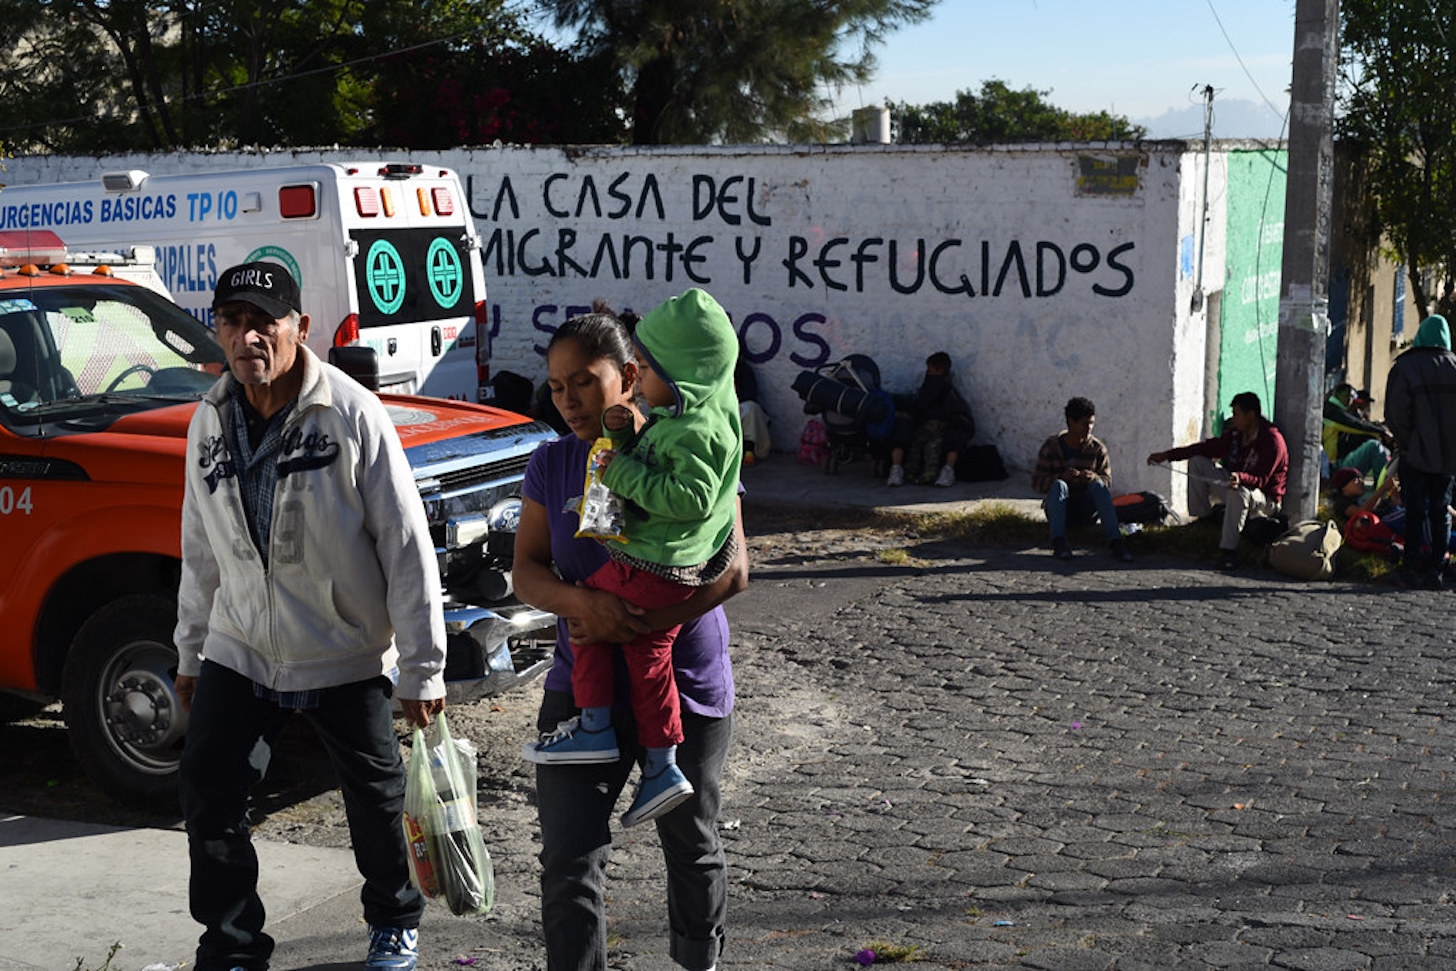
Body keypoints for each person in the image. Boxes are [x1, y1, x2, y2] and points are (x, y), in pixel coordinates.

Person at [173, 262, 445, 971]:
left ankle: (394, 918)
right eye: (232, 321)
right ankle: (231, 945)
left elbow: (405, 541)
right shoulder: (208, 418)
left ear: (300, 327)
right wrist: (190, 651)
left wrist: (422, 665)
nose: (248, 335)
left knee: (376, 798)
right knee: (209, 787)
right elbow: (198, 544)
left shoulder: (350, 412)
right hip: (241, 645)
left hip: (343, 646)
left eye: (266, 320)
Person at [513, 307, 747, 971]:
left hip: (684, 686)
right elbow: (527, 570)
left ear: (630, 375)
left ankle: (697, 960)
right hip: (580, 688)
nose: (568, 400)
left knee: (690, 840)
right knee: (569, 860)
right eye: (556, 387)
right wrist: (584, 604)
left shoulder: (688, 440)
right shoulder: (552, 463)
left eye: (583, 381)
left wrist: (641, 624)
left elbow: (734, 568)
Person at [1147, 390, 1288, 570]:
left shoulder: (1272, 440)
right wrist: (1167, 455)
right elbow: (1208, 447)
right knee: (1198, 461)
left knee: (1240, 492)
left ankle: (1229, 552)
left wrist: (1240, 477)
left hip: (1265, 499)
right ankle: (1203, 518)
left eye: (1237, 414)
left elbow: (1261, 479)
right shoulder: (1236, 434)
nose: (1233, 418)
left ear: (1251, 415)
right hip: (1235, 483)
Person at [1384, 313, 1456, 588]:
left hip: (1414, 454)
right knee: (1441, 510)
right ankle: (1437, 568)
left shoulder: (1405, 367)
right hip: (1448, 459)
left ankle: (1410, 568)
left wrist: (1408, 442)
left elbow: (1395, 413)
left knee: (1414, 511)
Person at [1031, 396, 1134, 563]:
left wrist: (1093, 478)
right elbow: (1037, 483)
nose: (1089, 428)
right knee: (1059, 485)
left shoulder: (1097, 449)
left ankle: (1116, 542)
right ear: (1071, 422)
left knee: (1098, 486)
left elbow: (1107, 482)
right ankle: (1059, 542)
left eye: (1091, 423)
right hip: (1059, 510)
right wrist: (1061, 478)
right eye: (1085, 423)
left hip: (1086, 510)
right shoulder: (1051, 446)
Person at [886, 350, 974, 488]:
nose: (928, 373)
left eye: (930, 370)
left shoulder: (935, 386)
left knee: (922, 445)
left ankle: (912, 471)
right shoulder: (947, 387)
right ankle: (927, 472)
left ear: (939, 371)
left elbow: (922, 403)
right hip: (938, 424)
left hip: (933, 423)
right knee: (930, 446)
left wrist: (910, 412)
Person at [1322, 381, 1391, 479]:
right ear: (1339, 394)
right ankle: (1384, 488)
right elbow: (1356, 425)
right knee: (1373, 446)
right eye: (1349, 396)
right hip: (1334, 467)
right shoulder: (1332, 412)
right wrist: (1381, 431)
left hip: (1334, 465)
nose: (1350, 400)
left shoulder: (1332, 409)